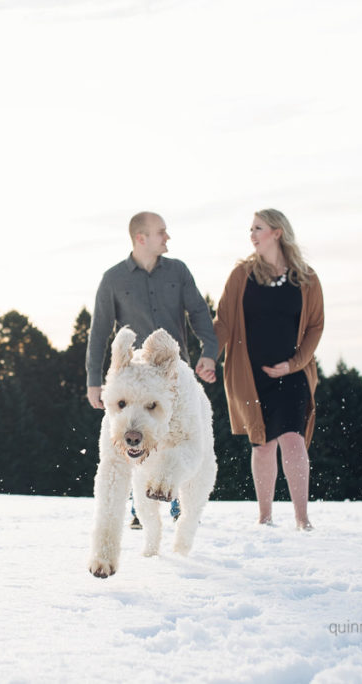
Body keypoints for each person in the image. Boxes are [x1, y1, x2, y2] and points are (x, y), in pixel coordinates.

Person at [86, 211, 219, 526]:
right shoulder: (113, 279)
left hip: (173, 376)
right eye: (162, 232)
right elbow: (99, 331)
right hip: (133, 377)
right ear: (141, 237)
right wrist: (94, 380)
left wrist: (209, 352)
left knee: (177, 438)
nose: (167, 237)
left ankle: (175, 504)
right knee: (133, 436)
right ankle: (139, 508)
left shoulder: (178, 272)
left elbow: (200, 312)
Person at [213, 209, 324, 530]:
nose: (252, 234)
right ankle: (265, 518)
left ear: (277, 232)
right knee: (263, 446)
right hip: (251, 378)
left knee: (293, 438)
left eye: (257, 228)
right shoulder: (242, 275)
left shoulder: (306, 277)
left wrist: (294, 363)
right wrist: (210, 356)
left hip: (293, 374)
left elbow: (315, 326)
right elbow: (224, 321)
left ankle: (303, 521)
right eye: (251, 228)